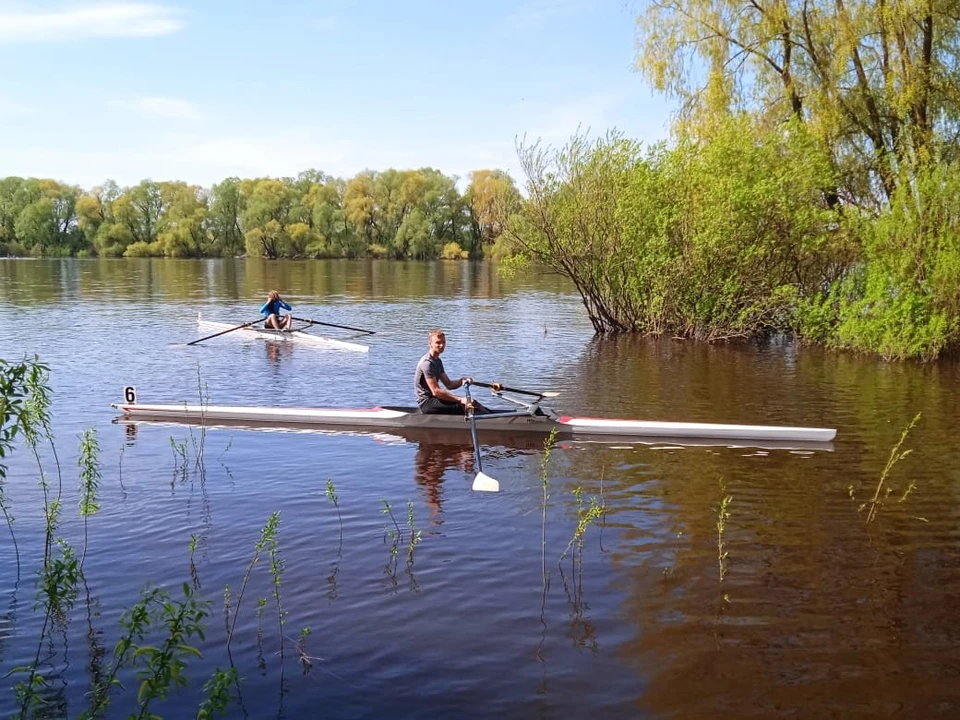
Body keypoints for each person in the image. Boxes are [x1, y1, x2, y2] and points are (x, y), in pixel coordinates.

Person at [414, 329, 488, 414]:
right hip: (427, 403)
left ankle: (493, 417)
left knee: (473, 403)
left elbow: (449, 384)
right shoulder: (427, 363)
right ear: (430, 344)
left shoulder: (437, 361)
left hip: (435, 400)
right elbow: (436, 391)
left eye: (443, 342)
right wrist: (461, 399)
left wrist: (462, 380)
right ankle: (492, 423)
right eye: (438, 342)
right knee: (464, 406)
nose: (442, 345)